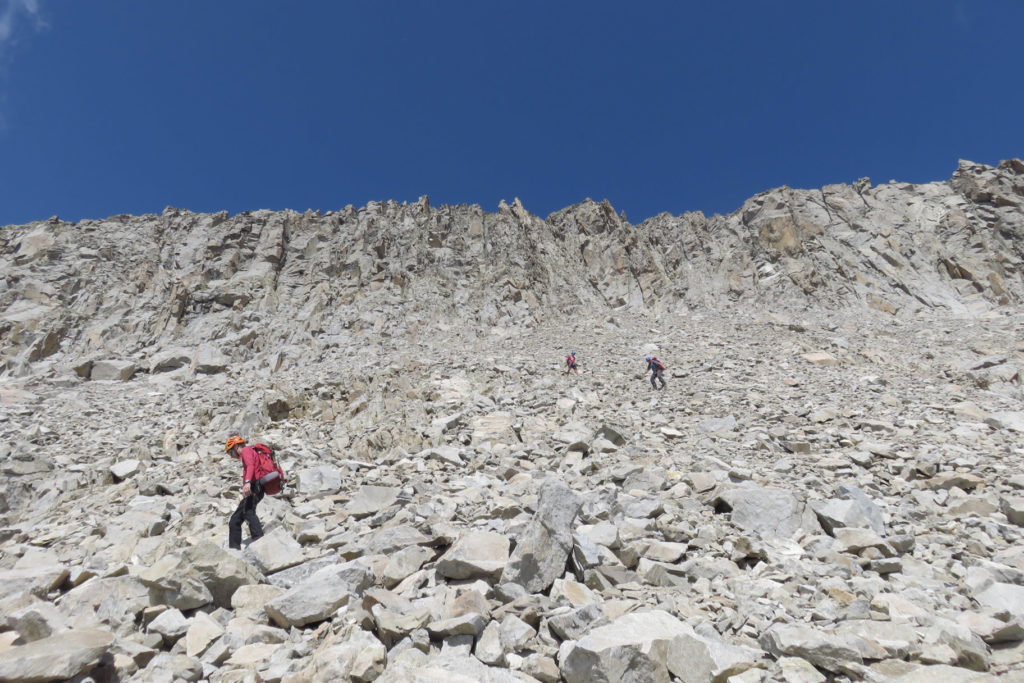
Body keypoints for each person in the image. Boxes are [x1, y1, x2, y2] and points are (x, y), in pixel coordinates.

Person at [225, 435, 265, 549]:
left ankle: (259, 540)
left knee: (249, 512)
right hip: (253, 486)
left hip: (254, 485)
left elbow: (251, 466)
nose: (231, 456)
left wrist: (247, 482)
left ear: (236, 446)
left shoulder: (246, 450)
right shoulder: (247, 452)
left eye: (230, 452)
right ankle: (233, 548)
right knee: (235, 519)